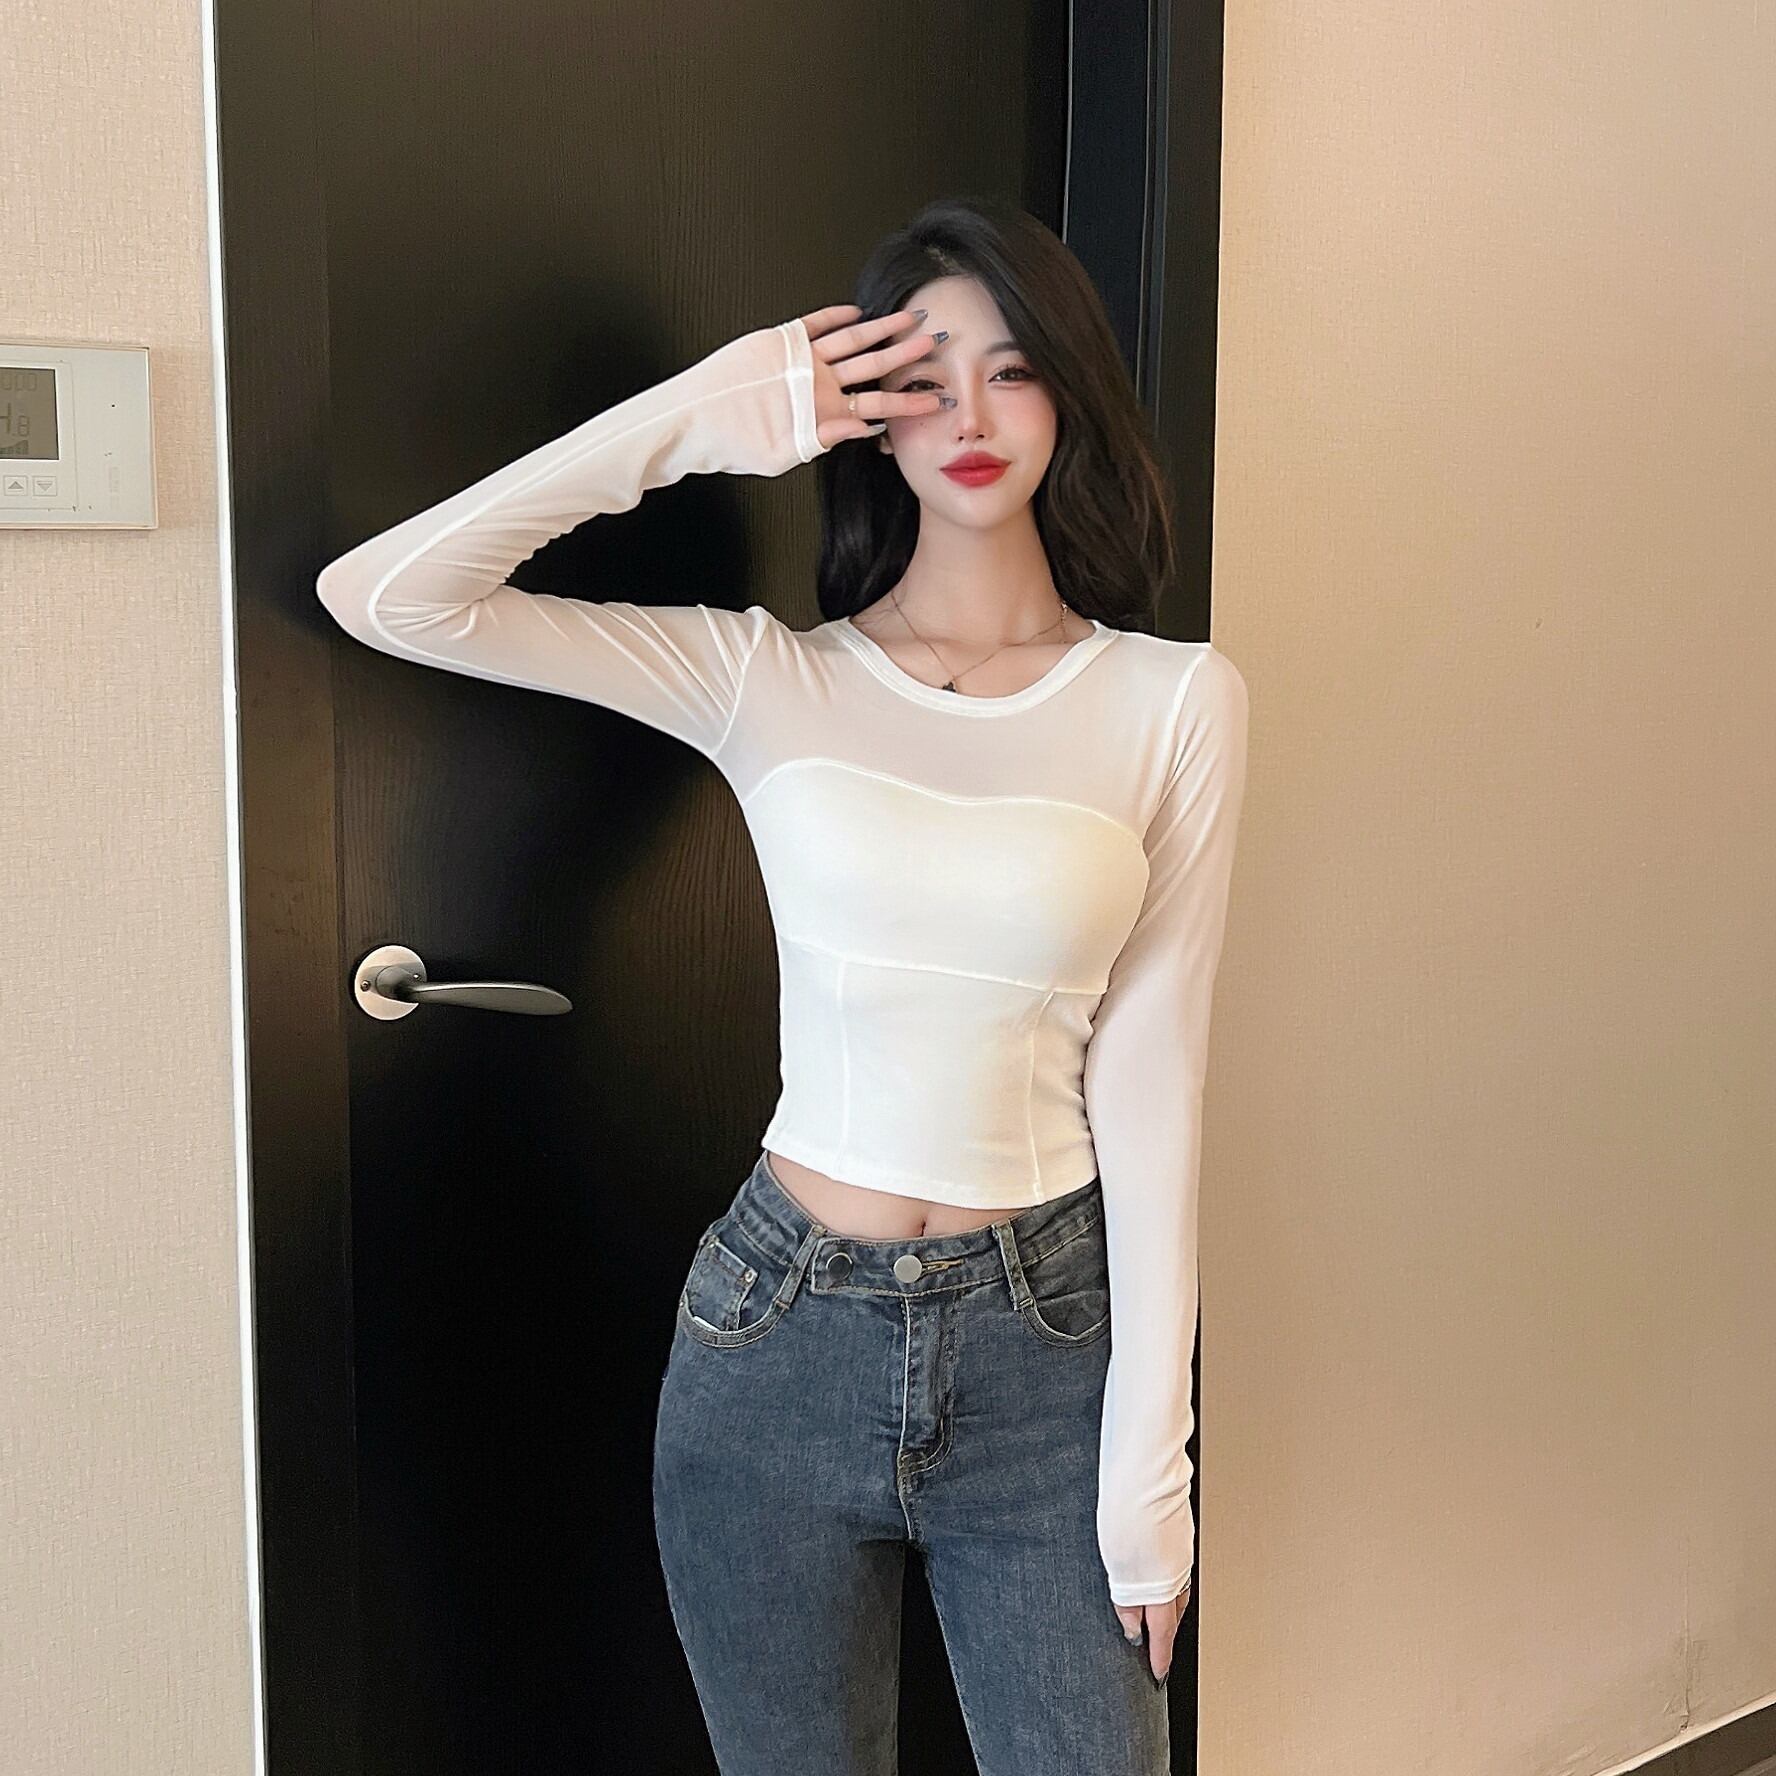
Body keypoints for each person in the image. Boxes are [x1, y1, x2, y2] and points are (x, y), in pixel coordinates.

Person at [314, 193, 1249, 1775]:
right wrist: (704, 416)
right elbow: (387, 596)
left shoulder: (1174, 703)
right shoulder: (770, 677)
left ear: (1070, 394)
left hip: (1046, 1344)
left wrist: (1153, 1467)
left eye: (1011, 370)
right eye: (921, 377)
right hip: (777, 1338)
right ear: (864, 411)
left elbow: (1155, 1078)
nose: (968, 418)